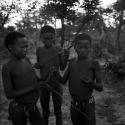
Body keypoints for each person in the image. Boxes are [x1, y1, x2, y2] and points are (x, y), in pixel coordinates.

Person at [2, 31, 44, 125]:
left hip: (32, 105)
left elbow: (34, 77)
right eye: (22, 47)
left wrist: (42, 79)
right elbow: (9, 94)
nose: (25, 49)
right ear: (10, 47)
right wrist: (34, 87)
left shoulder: (26, 60)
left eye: (26, 47)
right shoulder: (8, 67)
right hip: (18, 108)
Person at [62, 33, 103, 125]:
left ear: (90, 47)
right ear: (75, 47)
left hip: (88, 104)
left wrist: (91, 84)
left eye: (86, 47)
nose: (83, 50)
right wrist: (55, 73)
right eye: (80, 47)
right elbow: (63, 81)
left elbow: (100, 87)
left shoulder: (94, 63)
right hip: (74, 104)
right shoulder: (72, 62)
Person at [34, 25, 69, 125]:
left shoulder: (58, 49)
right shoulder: (39, 50)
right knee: (45, 110)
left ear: (54, 37)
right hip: (44, 85)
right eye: (45, 38)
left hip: (56, 84)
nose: (48, 40)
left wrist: (66, 56)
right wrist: (38, 65)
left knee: (58, 110)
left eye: (50, 38)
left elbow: (62, 67)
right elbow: (39, 65)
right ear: (41, 37)